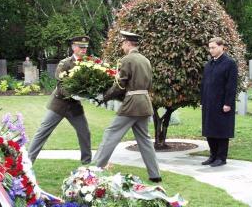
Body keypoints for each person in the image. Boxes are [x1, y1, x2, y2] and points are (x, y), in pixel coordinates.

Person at [93, 30, 162, 182]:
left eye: (123, 43)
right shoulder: (146, 60)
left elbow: (120, 85)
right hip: (144, 102)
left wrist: (105, 96)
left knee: (111, 134)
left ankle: (95, 169)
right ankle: (155, 174)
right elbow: (150, 84)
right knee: (144, 139)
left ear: (128, 43)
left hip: (131, 104)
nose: (122, 46)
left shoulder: (126, 60)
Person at [28, 36, 92, 165]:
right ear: (73, 47)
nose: (84, 50)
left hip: (74, 107)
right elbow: (61, 85)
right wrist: (74, 95)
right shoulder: (65, 63)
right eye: (81, 47)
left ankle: (87, 163)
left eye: (85, 47)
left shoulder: (89, 63)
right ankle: (28, 162)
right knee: (42, 132)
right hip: (59, 104)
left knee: (85, 133)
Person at [201, 37, 238, 167]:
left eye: (213, 47)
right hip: (209, 103)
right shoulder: (209, 64)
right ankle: (213, 155)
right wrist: (203, 101)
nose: (211, 50)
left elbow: (231, 85)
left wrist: (228, 103)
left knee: (221, 131)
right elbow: (204, 84)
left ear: (222, 47)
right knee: (209, 130)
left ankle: (221, 158)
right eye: (210, 48)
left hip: (222, 104)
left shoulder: (229, 63)